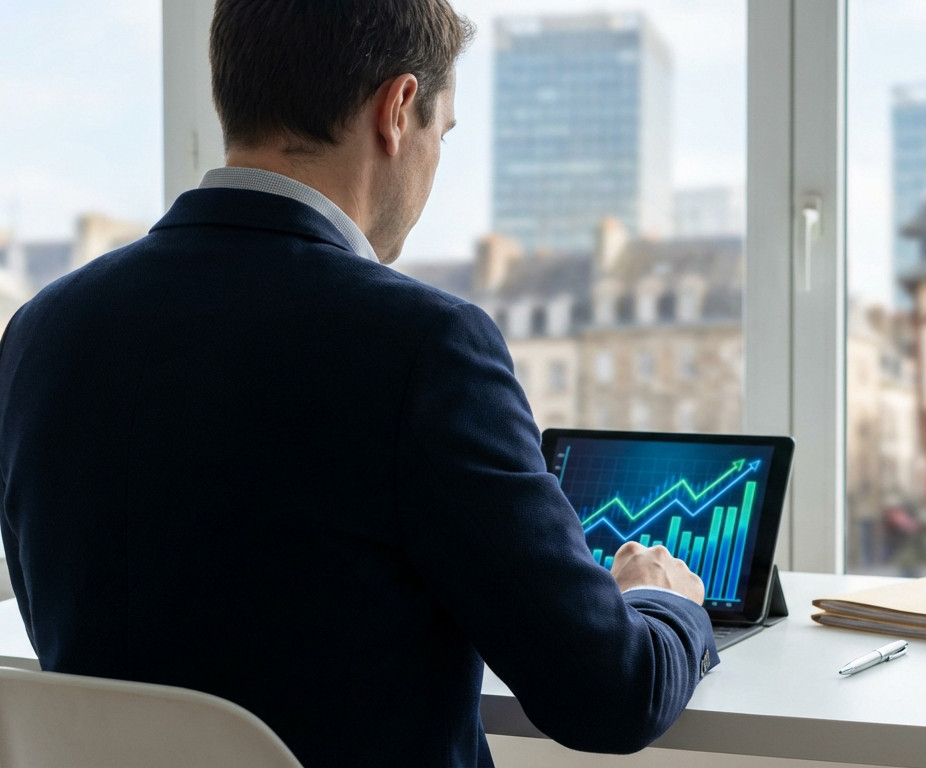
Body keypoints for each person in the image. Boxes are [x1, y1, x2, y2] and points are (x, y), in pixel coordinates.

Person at [0, 1, 717, 766]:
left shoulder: (40, 331)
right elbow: (610, 694)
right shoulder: (424, 346)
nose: (435, 160)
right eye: (441, 134)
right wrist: (665, 600)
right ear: (398, 110)